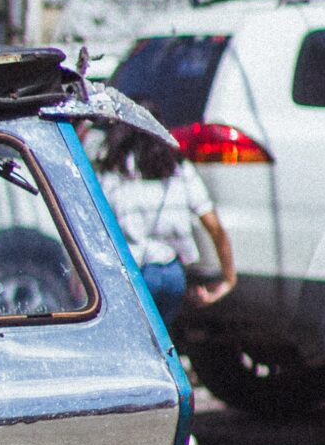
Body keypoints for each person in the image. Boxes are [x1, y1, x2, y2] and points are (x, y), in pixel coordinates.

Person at [97, 125, 236, 339]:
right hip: (172, 275)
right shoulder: (179, 169)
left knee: (128, 340)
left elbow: (95, 226)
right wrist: (228, 277)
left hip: (132, 273)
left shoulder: (113, 172)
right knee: (160, 342)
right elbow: (214, 227)